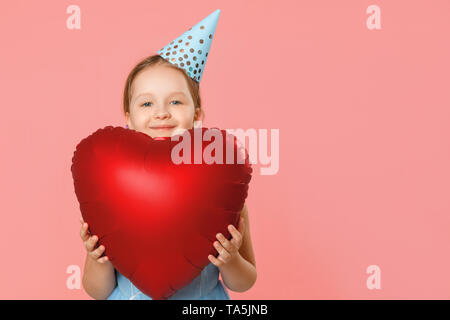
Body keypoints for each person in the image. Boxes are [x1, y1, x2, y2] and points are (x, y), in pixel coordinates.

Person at [80, 9, 257, 300]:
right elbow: (97, 291)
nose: (161, 112)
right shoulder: (108, 184)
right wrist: (97, 258)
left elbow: (244, 282)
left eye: (175, 101)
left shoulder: (221, 182)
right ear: (129, 116)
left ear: (197, 113)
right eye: (146, 104)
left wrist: (232, 259)